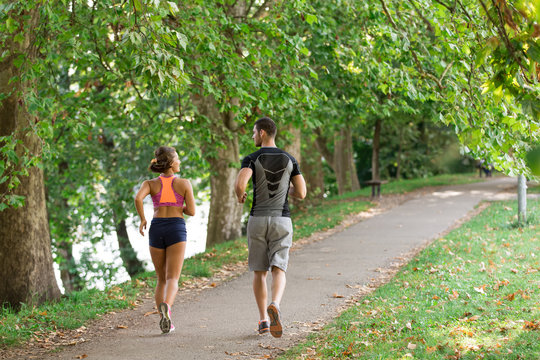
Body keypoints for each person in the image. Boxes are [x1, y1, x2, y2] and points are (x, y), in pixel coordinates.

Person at [234, 117, 307, 338]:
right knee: (279, 268)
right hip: (281, 220)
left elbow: (240, 184)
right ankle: (275, 304)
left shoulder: (252, 158)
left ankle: (263, 321)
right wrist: (286, 191)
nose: (253, 136)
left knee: (259, 271)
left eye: (254, 132)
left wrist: (240, 196)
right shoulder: (289, 159)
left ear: (263, 133)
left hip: (257, 219)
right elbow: (302, 193)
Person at [134, 146, 195, 334]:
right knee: (172, 278)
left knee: (161, 279)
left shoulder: (150, 184)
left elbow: (138, 198)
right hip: (176, 227)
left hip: (157, 227)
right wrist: (178, 207)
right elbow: (191, 211)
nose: (179, 162)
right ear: (170, 163)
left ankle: (163, 318)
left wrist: (143, 218)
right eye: (177, 159)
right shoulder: (184, 184)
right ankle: (167, 307)